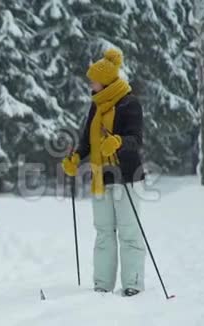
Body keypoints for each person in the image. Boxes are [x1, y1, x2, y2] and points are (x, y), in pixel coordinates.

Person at [62, 48, 146, 297]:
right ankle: (102, 285)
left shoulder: (130, 103)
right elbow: (87, 140)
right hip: (102, 178)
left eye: (94, 79)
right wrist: (76, 157)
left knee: (129, 232)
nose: (91, 83)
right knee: (103, 233)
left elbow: (136, 140)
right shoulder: (96, 106)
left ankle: (133, 283)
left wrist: (119, 142)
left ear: (106, 79)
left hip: (127, 177)